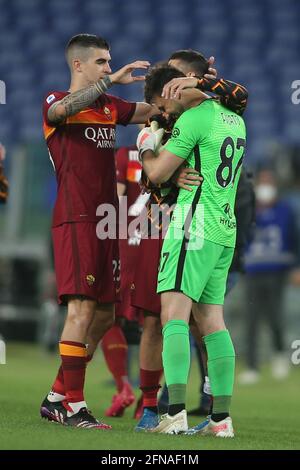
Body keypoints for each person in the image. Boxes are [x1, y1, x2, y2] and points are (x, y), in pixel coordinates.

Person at [40, 33, 159, 429]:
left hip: (107, 222)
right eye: (102, 63)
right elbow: (61, 113)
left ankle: (58, 393)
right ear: (79, 65)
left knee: (106, 314)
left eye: (109, 63)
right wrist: (111, 82)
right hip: (77, 218)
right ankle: (73, 405)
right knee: (82, 308)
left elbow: (155, 110)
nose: (110, 68)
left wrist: (190, 83)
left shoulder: (110, 108)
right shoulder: (58, 102)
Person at [132, 51, 248, 432]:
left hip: (191, 227)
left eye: (164, 106)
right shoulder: (234, 119)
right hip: (223, 230)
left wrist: (146, 144)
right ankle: (220, 420)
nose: (166, 115)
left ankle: (175, 413)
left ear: (175, 89)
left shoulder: (194, 119)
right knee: (214, 322)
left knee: (173, 318)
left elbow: (156, 171)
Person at [100, 144, 146, 417]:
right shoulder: (176, 150)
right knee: (159, 323)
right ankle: (148, 399)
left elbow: (117, 197)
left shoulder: (126, 154)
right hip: (158, 240)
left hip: (125, 240)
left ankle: (123, 387)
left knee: (109, 317)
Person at [239, 168, 296, 384]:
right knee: (251, 318)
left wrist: (296, 266)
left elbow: (294, 236)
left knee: (275, 315)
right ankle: (252, 365)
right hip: (253, 269)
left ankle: (279, 355)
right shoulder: (250, 208)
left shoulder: (285, 209)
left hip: (277, 269)